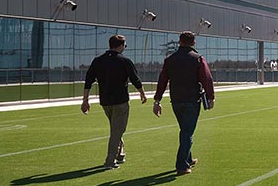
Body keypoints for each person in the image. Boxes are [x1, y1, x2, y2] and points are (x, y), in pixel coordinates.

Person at [153, 31, 215, 176]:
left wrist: (157, 100)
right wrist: (211, 97)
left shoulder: (170, 59)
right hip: (191, 100)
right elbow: (207, 79)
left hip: (176, 100)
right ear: (193, 43)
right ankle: (182, 165)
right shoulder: (198, 59)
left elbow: (162, 81)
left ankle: (188, 158)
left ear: (180, 42)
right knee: (187, 132)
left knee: (185, 130)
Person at [82, 34, 148, 169]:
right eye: (125, 45)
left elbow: (88, 80)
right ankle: (110, 161)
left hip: (105, 101)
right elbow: (135, 79)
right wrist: (142, 93)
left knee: (116, 129)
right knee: (118, 130)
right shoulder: (124, 61)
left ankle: (120, 153)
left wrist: (85, 100)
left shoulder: (98, 61)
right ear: (120, 46)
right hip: (120, 101)